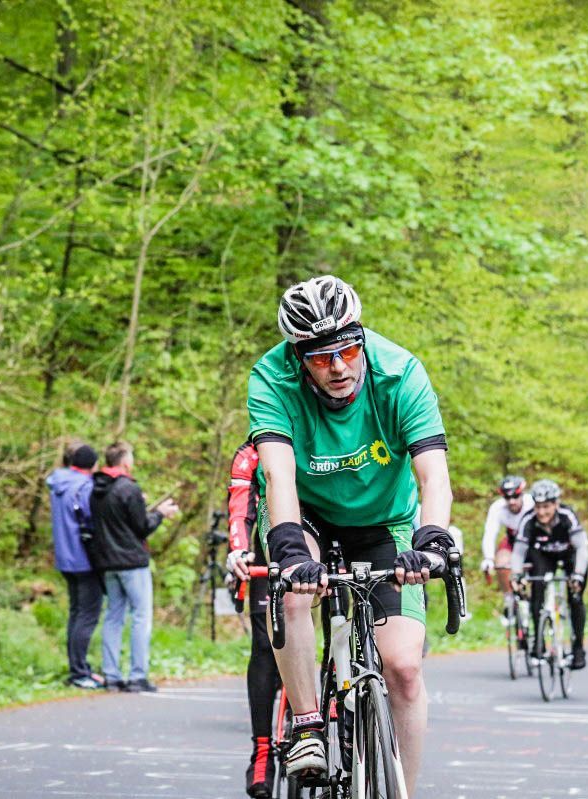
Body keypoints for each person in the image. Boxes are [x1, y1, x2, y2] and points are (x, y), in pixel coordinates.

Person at [248, 275, 453, 796]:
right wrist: (290, 551)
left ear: (362, 339)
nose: (338, 368)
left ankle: (401, 789)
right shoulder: (272, 378)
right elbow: (278, 475)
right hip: (310, 514)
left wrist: (431, 541)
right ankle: (309, 724)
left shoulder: (401, 372)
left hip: (385, 520)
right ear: (300, 358)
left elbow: (433, 474)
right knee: (292, 593)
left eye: (348, 350)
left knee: (404, 667)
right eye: (321, 358)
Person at [88, 441, 179, 693]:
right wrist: (160, 513)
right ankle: (138, 676)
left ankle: (111, 675)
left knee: (113, 617)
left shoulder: (96, 488)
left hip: (107, 562)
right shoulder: (128, 488)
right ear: (126, 462)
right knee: (141, 617)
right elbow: (142, 527)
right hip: (132, 562)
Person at [225, 439, 283, 798]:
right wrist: (239, 551)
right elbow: (239, 507)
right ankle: (262, 751)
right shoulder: (250, 454)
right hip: (267, 549)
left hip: (327, 538)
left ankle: (341, 705)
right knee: (264, 645)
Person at [510, 479, 588, 669]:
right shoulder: (528, 520)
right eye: (538, 507)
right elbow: (519, 552)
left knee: (576, 598)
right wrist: (516, 576)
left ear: (556, 504)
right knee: (537, 590)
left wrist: (578, 574)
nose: (542, 512)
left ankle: (578, 648)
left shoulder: (567, 515)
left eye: (546, 507)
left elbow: (582, 548)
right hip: (544, 556)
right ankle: (538, 644)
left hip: (570, 555)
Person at [47, 441, 104, 689]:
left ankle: (77, 668)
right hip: (83, 558)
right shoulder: (84, 487)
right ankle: (80, 672)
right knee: (88, 615)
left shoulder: (58, 483)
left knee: (75, 613)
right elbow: (91, 520)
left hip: (64, 557)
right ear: (92, 465)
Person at [481, 475, 535, 596]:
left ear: (522, 494)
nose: (512, 501)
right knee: (501, 563)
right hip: (512, 541)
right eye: (507, 497)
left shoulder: (532, 503)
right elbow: (490, 533)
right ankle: (509, 600)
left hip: (533, 542)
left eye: (515, 496)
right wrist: (488, 558)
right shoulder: (497, 507)